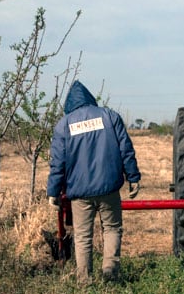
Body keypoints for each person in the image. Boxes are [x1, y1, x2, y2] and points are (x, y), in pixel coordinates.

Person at [45, 81, 141, 281]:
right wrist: (133, 177)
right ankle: (110, 274)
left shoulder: (64, 125)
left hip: (79, 193)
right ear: (90, 98)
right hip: (109, 188)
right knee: (112, 229)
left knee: (83, 236)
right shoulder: (110, 116)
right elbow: (126, 150)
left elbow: (58, 163)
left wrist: (53, 191)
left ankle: (84, 280)